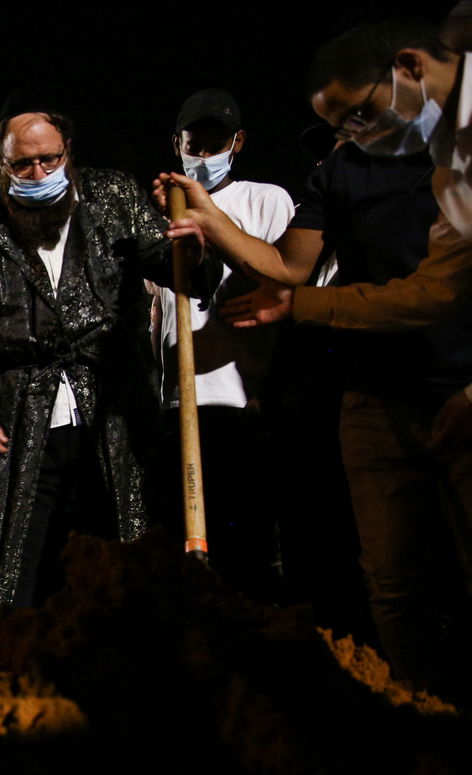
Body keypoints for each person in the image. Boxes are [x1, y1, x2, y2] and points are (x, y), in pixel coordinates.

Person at [160, 18, 472, 694]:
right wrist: (213, 221)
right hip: (376, 394)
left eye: (361, 113)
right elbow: (287, 265)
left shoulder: (457, 153)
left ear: (409, 68)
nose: (358, 133)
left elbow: (437, 292)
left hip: (460, 384)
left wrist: (300, 308)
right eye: (343, 124)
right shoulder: (340, 170)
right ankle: (423, 712)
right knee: (391, 577)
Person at [0, 96, 211, 638]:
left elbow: (180, 272)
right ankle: (14, 681)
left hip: (115, 412)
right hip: (14, 415)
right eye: (22, 164)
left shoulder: (116, 195)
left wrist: (193, 252)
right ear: (1, 163)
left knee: (119, 548)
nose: (38, 173)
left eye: (49, 160)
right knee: (19, 561)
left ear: (68, 152)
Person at [150, 89, 294, 600]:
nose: (204, 157)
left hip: (240, 401)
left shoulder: (266, 199)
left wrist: (210, 221)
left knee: (245, 548)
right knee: (179, 553)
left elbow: (283, 282)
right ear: (177, 144)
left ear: (238, 143)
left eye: (216, 146)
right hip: (177, 405)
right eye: (196, 145)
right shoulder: (161, 213)